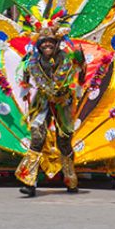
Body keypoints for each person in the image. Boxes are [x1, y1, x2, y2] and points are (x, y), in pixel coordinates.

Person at [15, 19, 85, 198]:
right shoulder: (32, 61)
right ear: (38, 45)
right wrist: (25, 85)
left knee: (64, 143)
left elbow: (57, 84)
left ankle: (71, 180)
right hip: (42, 102)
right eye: (43, 42)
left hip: (62, 103)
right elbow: (27, 77)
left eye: (51, 42)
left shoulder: (66, 60)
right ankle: (29, 182)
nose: (47, 44)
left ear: (57, 44)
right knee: (37, 139)